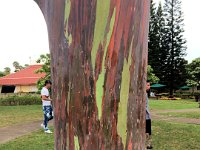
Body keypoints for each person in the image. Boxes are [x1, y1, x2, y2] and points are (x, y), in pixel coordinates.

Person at [146, 81, 153, 149]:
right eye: (147, 85)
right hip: (145, 117)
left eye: (149, 85)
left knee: (148, 131)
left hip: (147, 116)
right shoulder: (143, 95)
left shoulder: (145, 94)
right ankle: (148, 144)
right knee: (147, 131)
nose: (149, 87)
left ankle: (149, 144)